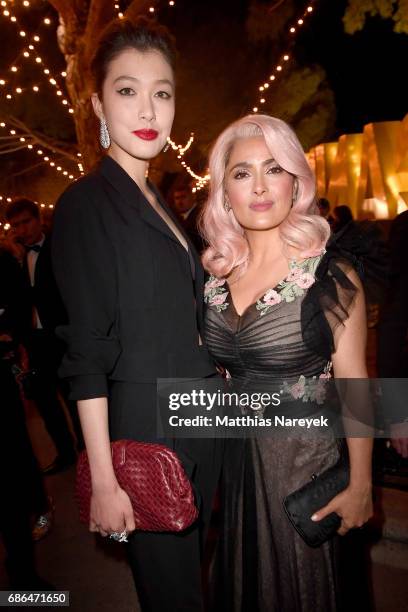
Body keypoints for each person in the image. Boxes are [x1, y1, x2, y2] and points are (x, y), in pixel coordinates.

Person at [51, 17, 222, 612]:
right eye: (128, 90)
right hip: (148, 428)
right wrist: (104, 478)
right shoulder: (86, 204)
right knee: (175, 597)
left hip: (203, 414)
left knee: (200, 583)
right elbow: (87, 353)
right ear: (98, 101)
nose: (148, 108)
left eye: (163, 92)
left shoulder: (163, 202)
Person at [200, 114, 373, 611]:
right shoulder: (213, 279)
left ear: (295, 180)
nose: (258, 187)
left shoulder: (329, 276)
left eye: (273, 169)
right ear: (223, 190)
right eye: (241, 173)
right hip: (237, 474)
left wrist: (361, 484)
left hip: (305, 472)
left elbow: (355, 384)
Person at [5, 198, 83, 474]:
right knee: (47, 403)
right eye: (16, 225)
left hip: (62, 337)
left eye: (26, 222)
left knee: (75, 400)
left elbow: (60, 293)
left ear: (38, 220)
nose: (22, 229)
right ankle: (65, 454)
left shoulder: (58, 248)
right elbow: (16, 300)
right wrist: (15, 261)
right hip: (35, 342)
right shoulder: (13, 257)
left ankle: (86, 453)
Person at [0, 247, 53, 587]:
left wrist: (9, 334)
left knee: (10, 479)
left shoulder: (3, 262)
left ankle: (23, 578)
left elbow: (17, 308)